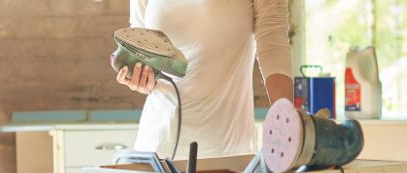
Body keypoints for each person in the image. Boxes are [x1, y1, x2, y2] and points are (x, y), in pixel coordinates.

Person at [117, 0, 293, 159]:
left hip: (225, 150)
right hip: (156, 145)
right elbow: (140, 42)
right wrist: (142, 81)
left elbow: (274, 45)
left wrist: (287, 125)